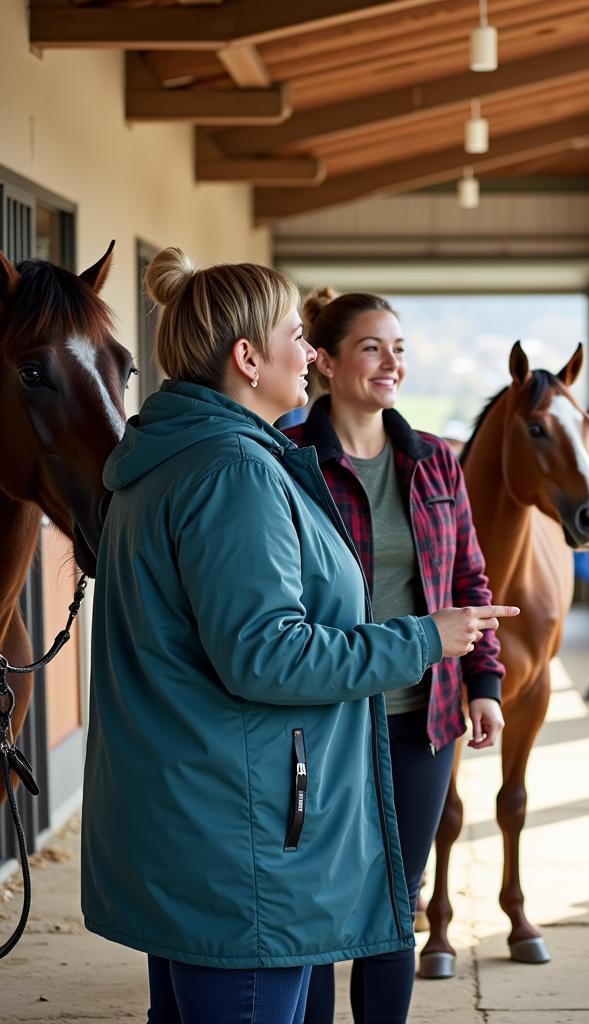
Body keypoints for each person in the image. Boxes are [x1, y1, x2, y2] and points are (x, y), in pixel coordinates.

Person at [80, 248, 518, 1024]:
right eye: (297, 334)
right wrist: (423, 639)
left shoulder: (163, 459)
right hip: (237, 838)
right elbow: (267, 653)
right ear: (248, 358)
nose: (309, 351)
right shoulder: (232, 473)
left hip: (190, 820)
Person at [283, 289, 505, 1024]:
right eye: (373, 347)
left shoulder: (436, 462)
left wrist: (485, 682)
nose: (392, 363)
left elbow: (468, 580)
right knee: (315, 904)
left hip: (424, 719)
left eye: (400, 348)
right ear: (325, 359)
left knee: (393, 904)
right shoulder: (288, 465)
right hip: (325, 720)